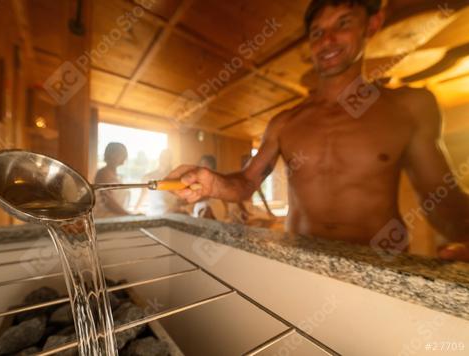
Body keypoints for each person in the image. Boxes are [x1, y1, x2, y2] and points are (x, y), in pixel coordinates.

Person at [166, 0, 469, 261]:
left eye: (343, 23)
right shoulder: (284, 122)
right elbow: (246, 182)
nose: (328, 40)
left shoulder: (408, 108)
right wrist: (212, 184)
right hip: (304, 265)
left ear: (373, 24)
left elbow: (441, 200)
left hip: (380, 267)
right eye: (318, 32)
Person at [134, 149, 177, 215]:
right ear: (159, 158)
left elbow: (178, 198)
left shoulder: (176, 178)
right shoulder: (148, 177)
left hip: (171, 213)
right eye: (163, 157)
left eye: (168, 158)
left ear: (171, 160)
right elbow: (143, 195)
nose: (164, 160)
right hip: (154, 214)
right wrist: (135, 209)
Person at [92, 142, 130, 217]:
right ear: (111, 155)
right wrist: (128, 214)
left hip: (117, 216)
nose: (124, 157)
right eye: (121, 154)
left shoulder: (117, 175)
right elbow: (107, 200)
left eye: (124, 154)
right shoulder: (103, 173)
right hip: (106, 218)